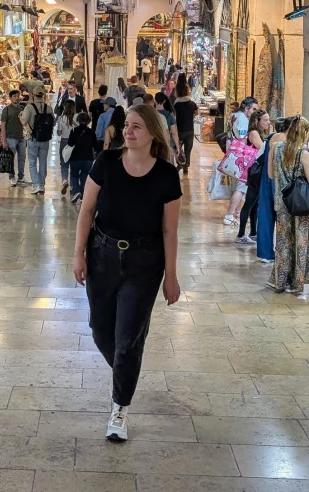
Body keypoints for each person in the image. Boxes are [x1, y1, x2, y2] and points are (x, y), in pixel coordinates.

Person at [73, 104, 182, 442]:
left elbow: (169, 231)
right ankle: (126, 368)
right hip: (103, 256)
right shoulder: (106, 163)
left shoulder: (166, 174)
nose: (128, 132)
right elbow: (87, 210)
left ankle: (119, 406)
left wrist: (172, 276)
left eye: (136, 127)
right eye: (127, 126)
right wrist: (78, 255)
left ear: (152, 133)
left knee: (127, 341)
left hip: (144, 264)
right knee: (101, 333)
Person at [268, 115, 309, 297]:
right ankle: (296, 282)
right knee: (300, 244)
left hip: (282, 203)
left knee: (283, 243)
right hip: (301, 206)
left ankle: (279, 279)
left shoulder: (276, 148)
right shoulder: (303, 154)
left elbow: (270, 174)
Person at [255, 117, 291, 264]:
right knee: (284, 217)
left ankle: (265, 253)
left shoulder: (269, 138)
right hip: (282, 181)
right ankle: (284, 251)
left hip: (266, 179)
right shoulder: (288, 141)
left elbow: (260, 157)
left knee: (265, 215)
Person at [236, 110, 271, 246]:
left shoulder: (261, 133)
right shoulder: (254, 133)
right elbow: (263, 149)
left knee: (255, 204)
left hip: (258, 173)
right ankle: (241, 234)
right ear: (258, 121)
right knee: (249, 203)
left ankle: (253, 233)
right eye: (265, 120)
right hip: (254, 173)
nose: (268, 123)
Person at [223, 97, 259, 226]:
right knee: (241, 188)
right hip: (241, 157)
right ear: (246, 108)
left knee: (236, 187)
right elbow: (243, 140)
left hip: (232, 154)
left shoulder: (234, 115)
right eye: (253, 109)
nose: (254, 112)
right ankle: (229, 214)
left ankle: (237, 214)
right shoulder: (244, 120)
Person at [22, 91, 55, 196]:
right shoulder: (48, 108)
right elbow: (53, 123)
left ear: (33, 96)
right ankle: (42, 185)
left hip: (33, 138)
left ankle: (36, 185)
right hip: (45, 139)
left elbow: (23, 121)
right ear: (43, 96)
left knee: (32, 162)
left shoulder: (29, 107)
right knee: (43, 162)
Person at [67, 112, 97, 205]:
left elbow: (70, 143)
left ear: (78, 120)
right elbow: (95, 145)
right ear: (88, 121)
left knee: (74, 175)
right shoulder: (91, 132)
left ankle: (77, 191)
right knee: (84, 176)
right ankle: (83, 195)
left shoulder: (73, 131)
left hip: (75, 157)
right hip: (87, 158)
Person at [1, 89, 27, 187]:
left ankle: (21, 176)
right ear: (10, 98)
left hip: (21, 137)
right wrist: (4, 140)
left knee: (22, 158)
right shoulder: (6, 110)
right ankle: (11, 177)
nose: (16, 98)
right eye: (14, 96)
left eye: (18, 96)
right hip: (10, 137)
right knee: (11, 158)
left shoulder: (21, 108)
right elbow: (2, 125)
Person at [172, 77, 198, 175]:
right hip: (190, 130)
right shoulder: (192, 103)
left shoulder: (176, 105)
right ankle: (185, 166)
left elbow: (174, 116)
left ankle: (180, 164)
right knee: (188, 149)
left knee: (177, 148)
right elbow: (196, 112)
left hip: (179, 130)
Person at [56, 98, 77, 195]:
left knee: (64, 163)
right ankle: (73, 186)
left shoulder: (61, 118)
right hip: (75, 142)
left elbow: (59, 133)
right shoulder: (77, 117)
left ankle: (64, 180)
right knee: (73, 164)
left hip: (64, 142)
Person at [89, 85, 109, 149]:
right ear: (106, 93)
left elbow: (89, 116)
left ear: (98, 92)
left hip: (94, 127)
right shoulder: (108, 104)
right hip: (105, 129)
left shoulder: (93, 102)